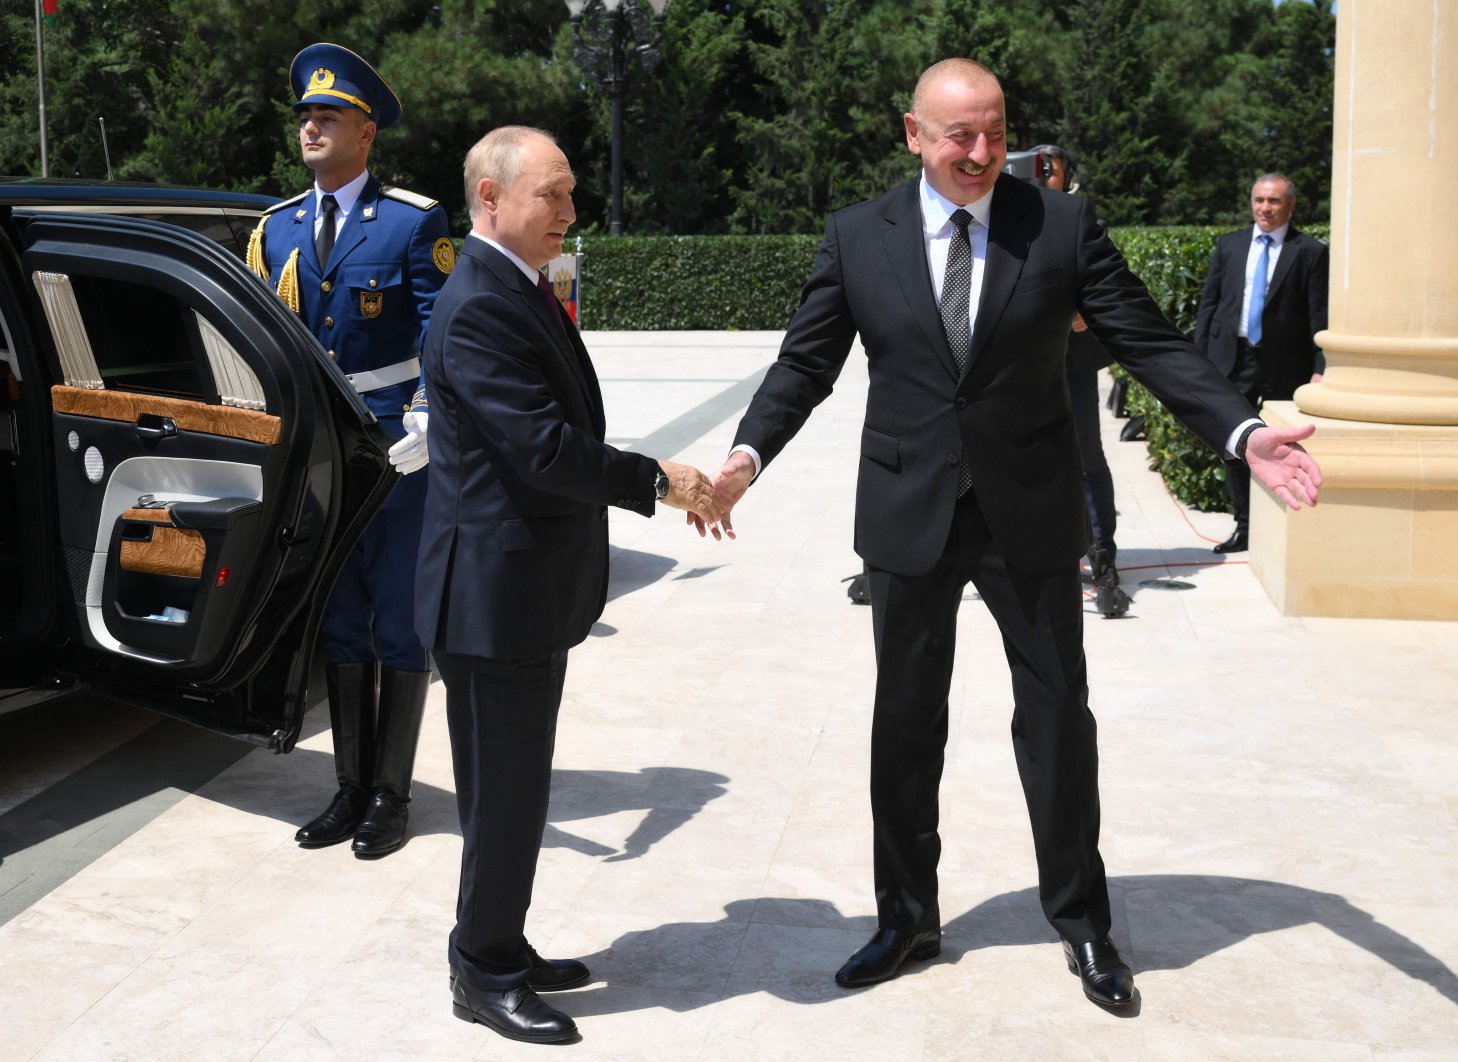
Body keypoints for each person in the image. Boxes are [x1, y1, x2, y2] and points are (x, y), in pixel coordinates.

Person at [705, 59, 1321, 1009]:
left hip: (1028, 511)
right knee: (905, 726)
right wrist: (745, 461)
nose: (982, 153)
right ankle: (905, 917)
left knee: (1058, 722)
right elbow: (804, 364)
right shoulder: (857, 235)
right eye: (959, 135)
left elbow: (1148, 340)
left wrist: (1242, 431)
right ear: (912, 133)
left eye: (995, 132)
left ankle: (1083, 923)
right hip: (909, 513)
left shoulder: (1061, 224)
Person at [414, 126, 722, 1045]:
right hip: (489, 596)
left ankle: (498, 938)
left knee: (515, 787)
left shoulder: (514, 288)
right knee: (505, 790)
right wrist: (656, 480)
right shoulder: (477, 305)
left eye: (571, 193)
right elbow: (544, 450)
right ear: (490, 199)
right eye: (553, 194)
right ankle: (484, 968)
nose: (571, 211)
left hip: (519, 589)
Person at [247, 43, 451, 858]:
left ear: (366, 132)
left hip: (397, 444)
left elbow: (441, 324)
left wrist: (431, 413)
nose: (311, 128)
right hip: (322, 449)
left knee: (398, 622)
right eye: (305, 116)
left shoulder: (412, 219)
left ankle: (391, 799)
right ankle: (347, 790)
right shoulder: (279, 225)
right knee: (338, 623)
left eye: (327, 117)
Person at [1192, 173, 1329, 553]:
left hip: (1284, 367)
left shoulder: (1311, 252)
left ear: (1290, 205)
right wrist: (1200, 357)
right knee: (1235, 446)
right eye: (1259, 200)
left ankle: (1283, 532)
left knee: (1283, 449)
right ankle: (1245, 528)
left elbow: (1320, 316)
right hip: (1231, 360)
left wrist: (1321, 367)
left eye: (1274, 201)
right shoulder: (1230, 245)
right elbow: (1210, 305)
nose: (1265, 208)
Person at [1041, 143, 1126, 617]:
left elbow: (1109, 290)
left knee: (1086, 460)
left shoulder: (1085, 224)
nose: (1041, 175)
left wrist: (1086, 314)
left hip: (1069, 365)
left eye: (1048, 169)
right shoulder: (996, 215)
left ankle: (1103, 558)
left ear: (1067, 176)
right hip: (1010, 367)